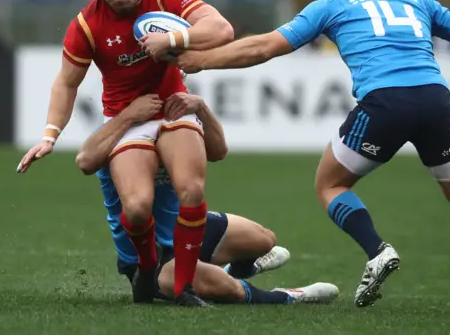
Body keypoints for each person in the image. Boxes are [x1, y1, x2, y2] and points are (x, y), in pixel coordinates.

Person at [172, 0, 450, 315]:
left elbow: (263, 48)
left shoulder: (335, 4)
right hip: (435, 100)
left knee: (329, 184)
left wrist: (203, 60)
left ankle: (377, 251)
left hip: (385, 102)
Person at [17, 0, 235, 307]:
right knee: (135, 208)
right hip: (126, 118)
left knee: (192, 192)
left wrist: (173, 39)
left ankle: (183, 287)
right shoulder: (88, 23)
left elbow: (221, 30)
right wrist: (49, 135)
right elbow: (66, 83)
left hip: (172, 107)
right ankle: (147, 269)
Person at [76, 92, 340, 305]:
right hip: (150, 255)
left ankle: (234, 270)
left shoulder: (176, 123)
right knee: (224, 288)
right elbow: (85, 160)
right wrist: (130, 114)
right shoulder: (117, 128)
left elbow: (218, 151)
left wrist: (200, 108)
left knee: (264, 239)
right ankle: (289, 296)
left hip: (184, 231)